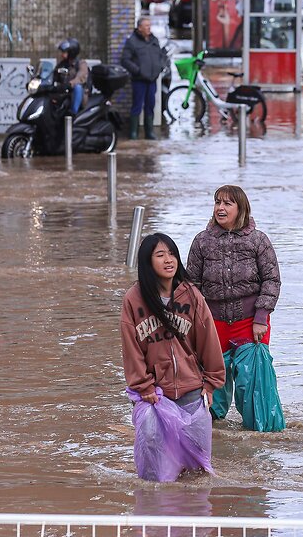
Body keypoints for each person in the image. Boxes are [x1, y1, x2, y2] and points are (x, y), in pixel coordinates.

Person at [120, 233, 226, 446]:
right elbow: (131, 348)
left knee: (196, 465)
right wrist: (144, 386)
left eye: (172, 254)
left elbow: (209, 341)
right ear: (147, 262)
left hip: (192, 392)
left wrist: (211, 383)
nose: (168, 260)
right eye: (160, 255)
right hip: (154, 396)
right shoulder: (133, 299)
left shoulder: (191, 295)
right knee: (157, 461)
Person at [185, 185, 281, 404]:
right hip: (212, 324)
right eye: (218, 202)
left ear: (241, 208)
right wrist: (195, 323)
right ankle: (215, 436)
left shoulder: (258, 240)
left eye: (228, 203)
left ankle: (258, 436)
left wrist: (260, 318)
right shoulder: (202, 241)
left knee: (253, 388)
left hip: (250, 323)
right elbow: (192, 286)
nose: (221, 207)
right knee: (210, 390)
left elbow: (272, 280)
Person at [118, 18, 169, 140]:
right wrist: (137, 70)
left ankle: (149, 132)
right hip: (139, 80)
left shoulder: (154, 40)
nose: (149, 28)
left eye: (149, 25)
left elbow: (162, 55)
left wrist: (160, 66)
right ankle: (133, 132)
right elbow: (125, 60)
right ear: (139, 28)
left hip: (152, 80)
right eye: (146, 26)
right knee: (137, 105)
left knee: (150, 105)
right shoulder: (132, 42)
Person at [56, 38, 90, 116]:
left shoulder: (81, 64)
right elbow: (54, 73)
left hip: (78, 95)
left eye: (64, 52)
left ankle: (73, 113)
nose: (62, 54)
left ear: (72, 52)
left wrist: (70, 84)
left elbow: (80, 77)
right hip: (64, 93)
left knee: (77, 87)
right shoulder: (62, 64)